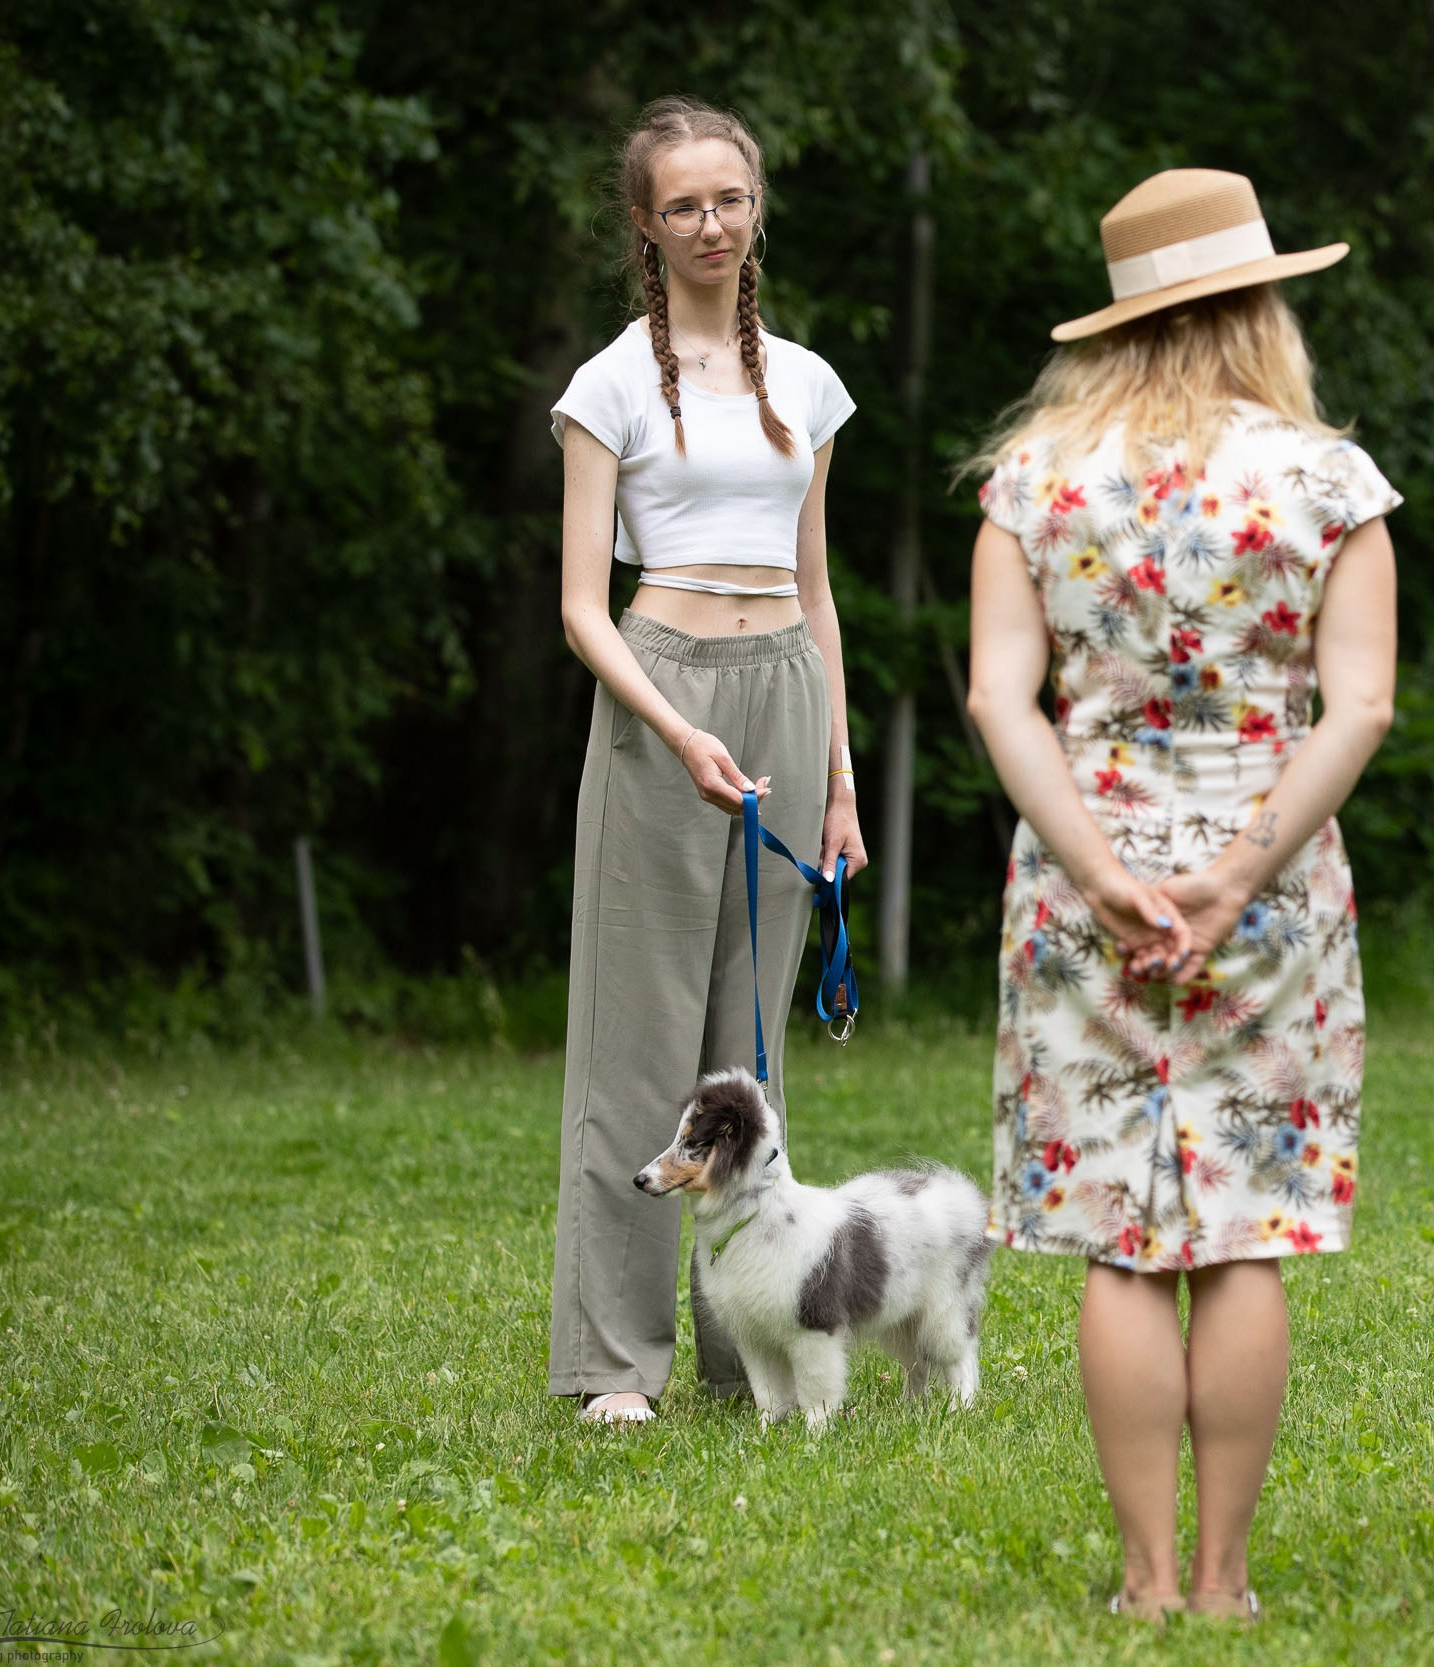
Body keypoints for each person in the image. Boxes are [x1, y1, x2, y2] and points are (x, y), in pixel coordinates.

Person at [966, 168, 1400, 1622]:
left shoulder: (1035, 481)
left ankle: (1145, 1580)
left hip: (1082, 861)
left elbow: (998, 698)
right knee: (1244, 1228)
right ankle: (1225, 1582)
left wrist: (1099, 868)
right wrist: (1231, 873)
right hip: (1269, 871)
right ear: (1260, 302)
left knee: (1119, 1235)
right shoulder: (1328, 482)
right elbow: (1360, 708)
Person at [544, 95, 865, 1428]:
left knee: (750, 1054)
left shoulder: (808, 383)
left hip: (786, 688)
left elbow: (820, 589)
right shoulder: (607, 387)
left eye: (728, 198)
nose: (710, 223)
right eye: (682, 204)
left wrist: (839, 780)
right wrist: (675, 731)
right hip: (659, 689)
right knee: (638, 1051)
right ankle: (615, 1365)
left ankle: (755, 1351)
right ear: (645, 224)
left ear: (757, 206)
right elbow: (577, 604)